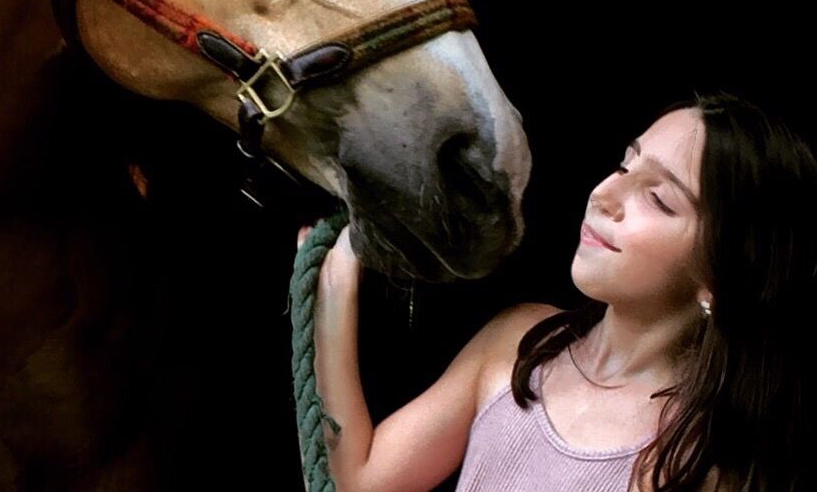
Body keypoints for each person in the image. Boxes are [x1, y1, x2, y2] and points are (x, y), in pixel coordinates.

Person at [297, 90, 815, 491]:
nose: (604, 194)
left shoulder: (700, 462)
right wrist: (335, 284)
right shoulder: (520, 343)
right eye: (623, 165)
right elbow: (357, 480)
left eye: (658, 198)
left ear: (722, 271)